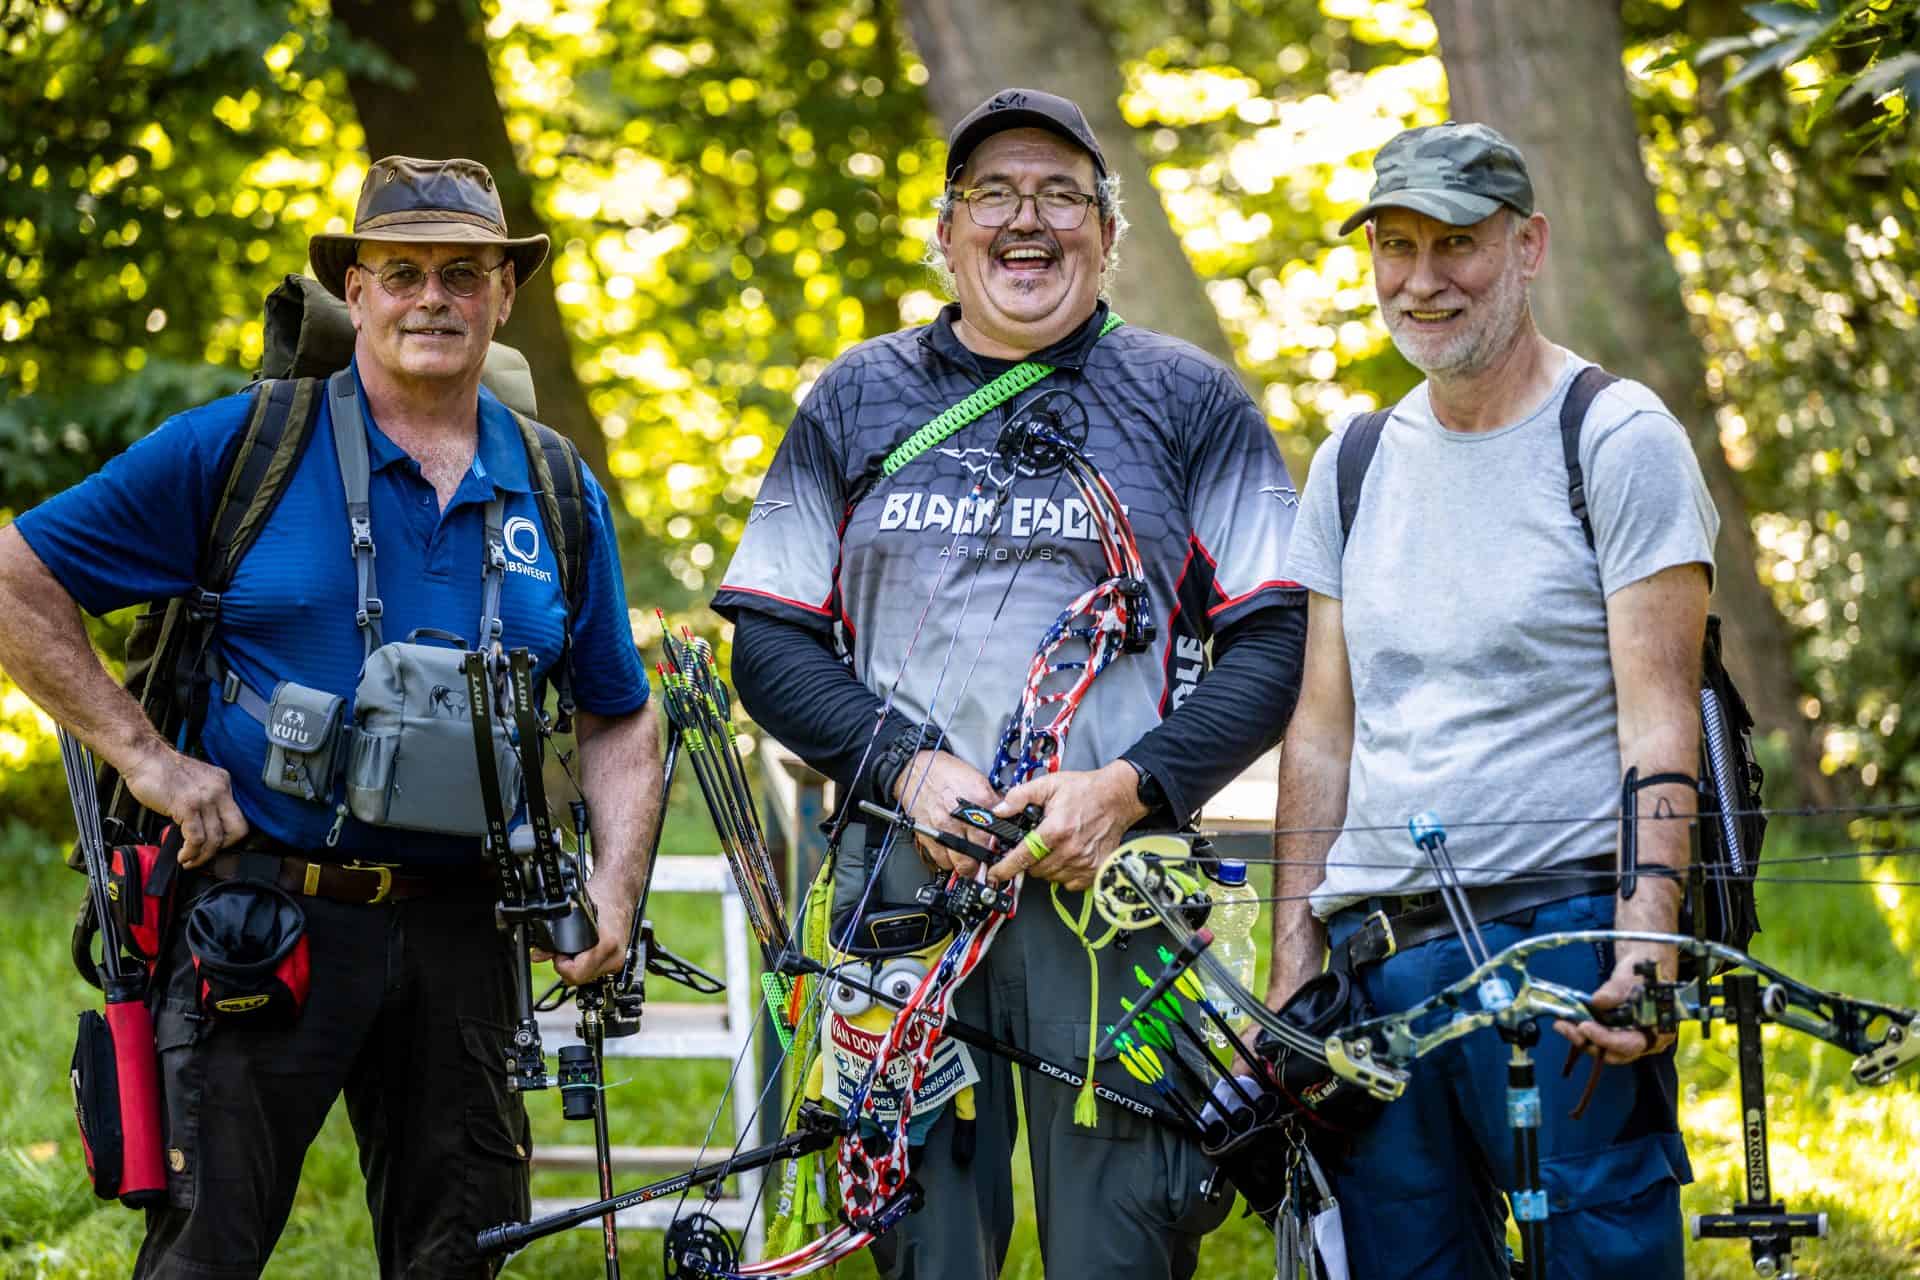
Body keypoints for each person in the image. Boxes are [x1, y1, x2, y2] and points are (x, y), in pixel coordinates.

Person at [0, 157, 660, 1278]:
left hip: (471, 930)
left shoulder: (554, 484)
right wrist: (151, 762)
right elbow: (17, 579)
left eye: (464, 272)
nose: (433, 297)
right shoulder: (240, 446)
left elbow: (619, 717)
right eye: (402, 271)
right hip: (267, 915)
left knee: (462, 1252)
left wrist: (617, 881)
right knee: (205, 1251)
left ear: (505, 294)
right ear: (354, 291)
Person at [713, 88, 1306, 1279]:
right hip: (899, 885)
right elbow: (767, 642)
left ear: (1106, 232)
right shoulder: (854, 397)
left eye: (1060, 196)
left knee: (1121, 1246)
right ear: (946, 230)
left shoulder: (1191, 401)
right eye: (993, 193)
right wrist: (905, 769)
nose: (1025, 221)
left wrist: (1131, 789)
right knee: (920, 1240)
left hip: (1117, 896)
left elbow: (1280, 641)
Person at [1263, 121, 1717, 1277]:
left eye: (1455, 243)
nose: (1422, 279)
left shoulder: (1614, 437)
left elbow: (1660, 715)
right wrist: (1292, 963)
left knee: (1601, 1255)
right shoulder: (1351, 461)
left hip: (1566, 949)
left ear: (1528, 247)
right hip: (1381, 966)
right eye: (1395, 247)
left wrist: (1647, 946)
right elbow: (1322, 731)